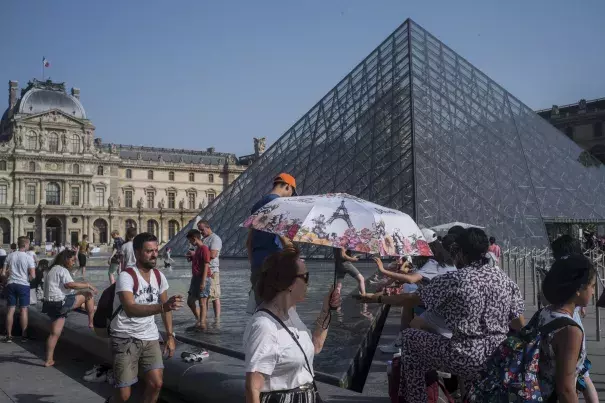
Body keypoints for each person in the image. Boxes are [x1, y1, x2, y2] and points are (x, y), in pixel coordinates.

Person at [360, 228, 525, 401]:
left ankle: (417, 398)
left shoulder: (456, 279)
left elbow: (412, 299)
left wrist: (376, 299)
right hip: (497, 356)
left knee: (410, 338)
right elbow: (519, 323)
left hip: (465, 354)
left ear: (460, 252)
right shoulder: (505, 280)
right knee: (470, 372)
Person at [244, 246, 333, 403]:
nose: (308, 283)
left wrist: (326, 309)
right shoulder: (264, 326)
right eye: (306, 277)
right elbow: (253, 388)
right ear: (290, 283)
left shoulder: (291, 314)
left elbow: (316, 347)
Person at [108, 232, 183, 403]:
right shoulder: (126, 276)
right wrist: (163, 307)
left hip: (150, 336)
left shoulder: (159, 276)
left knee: (156, 384)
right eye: (149, 251)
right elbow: (130, 308)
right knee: (124, 394)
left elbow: (166, 309)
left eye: (156, 250)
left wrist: (170, 335)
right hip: (125, 337)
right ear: (137, 252)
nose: (154, 254)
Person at [377, 229, 457, 353]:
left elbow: (411, 279)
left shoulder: (432, 263)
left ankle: (403, 343)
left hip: (439, 309)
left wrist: (383, 271)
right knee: (410, 301)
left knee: (409, 304)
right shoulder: (446, 261)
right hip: (449, 305)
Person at [246, 173, 297, 305]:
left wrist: (254, 263)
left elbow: (249, 241)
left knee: (260, 308)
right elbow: (281, 232)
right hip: (274, 261)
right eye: (292, 191)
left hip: (257, 261)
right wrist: (291, 252)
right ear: (287, 186)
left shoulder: (257, 205)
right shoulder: (279, 203)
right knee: (277, 306)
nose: (292, 196)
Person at [42, 249, 98, 367]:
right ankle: (91, 322)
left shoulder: (51, 269)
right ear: (66, 259)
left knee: (54, 334)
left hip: (50, 304)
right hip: (61, 304)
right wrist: (88, 284)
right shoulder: (62, 270)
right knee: (88, 294)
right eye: (72, 260)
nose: (73, 263)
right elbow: (70, 285)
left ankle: (49, 360)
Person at [1, 236, 36, 342]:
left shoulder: (10, 256)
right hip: (23, 285)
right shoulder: (28, 257)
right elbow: (33, 275)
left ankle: (9, 336)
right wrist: (27, 280)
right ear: (25, 244)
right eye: (28, 244)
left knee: (10, 309)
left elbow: (3, 273)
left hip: (11, 284)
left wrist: (7, 279)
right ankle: (24, 336)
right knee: (24, 310)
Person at [186, 229, 211, 330]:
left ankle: (202, 323)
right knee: (190, 301)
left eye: (190, 240)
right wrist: (191, 257)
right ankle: (199, 319)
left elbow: (206, 265)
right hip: (195, 278)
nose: (190, 243)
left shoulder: (204, 249)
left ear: (194, 238)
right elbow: (198, 262)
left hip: (202, 278)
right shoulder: (197, 250)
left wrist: (203, 281)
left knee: (202, 302)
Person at [198, 220, 222, 320]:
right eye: (199, 230)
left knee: (215, 296)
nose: (201, 232)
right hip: (204, 270)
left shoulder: (215, 239)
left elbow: (213, 254)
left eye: (202, 230)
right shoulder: (204, 239)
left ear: (208, 227)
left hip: (212, 270)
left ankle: (217, 319)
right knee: (205, 296)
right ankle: (205, 318)